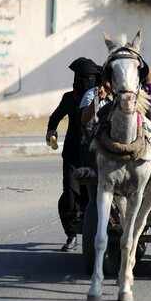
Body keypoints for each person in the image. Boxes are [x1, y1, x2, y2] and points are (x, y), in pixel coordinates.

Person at [46, 57, 102, 251]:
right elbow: (55, 116)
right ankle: (71, 234)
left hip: (94, 155)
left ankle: (90, 230)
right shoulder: (69, 98)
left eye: (91, 78)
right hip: (72, 154)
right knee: (70, 195)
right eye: (83, 78)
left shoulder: (101, 96)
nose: (87, 82)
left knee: (90, 196)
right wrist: (51, 130)